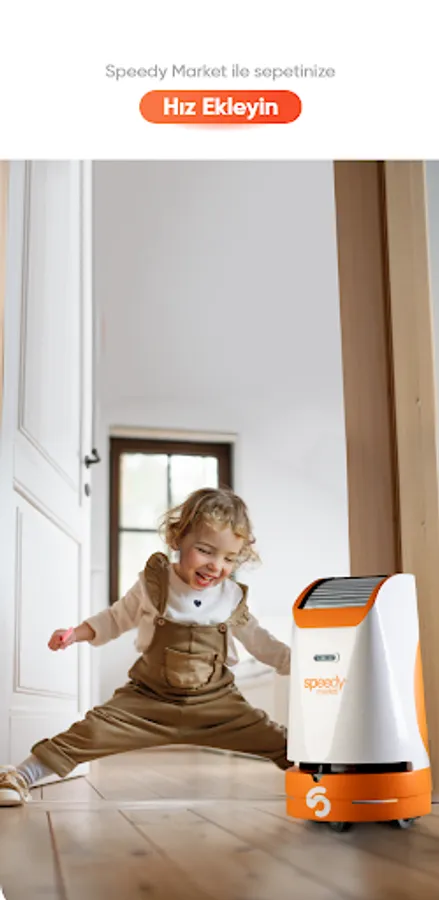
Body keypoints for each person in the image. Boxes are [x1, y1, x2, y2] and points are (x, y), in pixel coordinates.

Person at [0, 487, 290, 806]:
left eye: (229, 558)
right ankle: (20, 775)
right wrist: (76, 633)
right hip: (148, 698)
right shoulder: (154, 584)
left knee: (274, 737)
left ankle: (322, 773)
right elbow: (115, 617)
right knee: (92, 731)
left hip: (216, 704)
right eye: (205, 551)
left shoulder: (231, 597)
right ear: (177, 539)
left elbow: (259, 639)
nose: (215, 565)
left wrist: (296, 664)